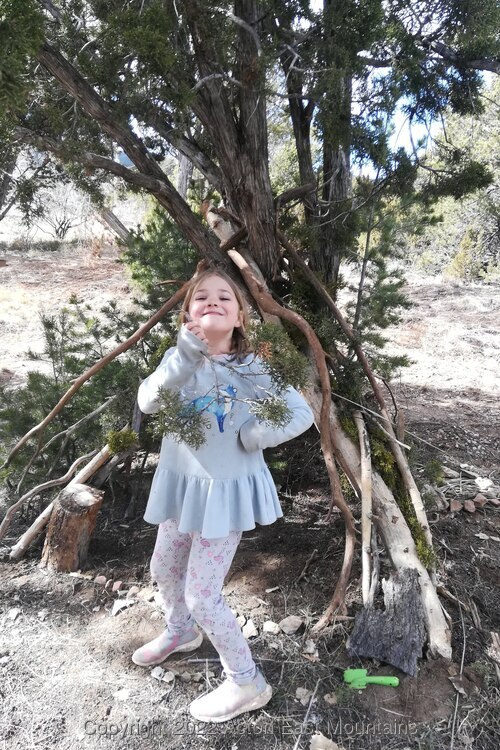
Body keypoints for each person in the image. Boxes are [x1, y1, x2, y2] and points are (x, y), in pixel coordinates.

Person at [132, 267, 314, 723]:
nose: (212, 302)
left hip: (224, 495)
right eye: (201, 298)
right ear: (188, 315)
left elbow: (300, 412)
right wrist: (181, 359)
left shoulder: (254, 366)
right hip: (182, 489)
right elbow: (149, 400)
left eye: (224, 298)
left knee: (202, 593)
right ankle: (180, 632)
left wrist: (254, 435)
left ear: (239, 317)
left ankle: (246, 681)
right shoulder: (179, 359)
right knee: (162, 567)